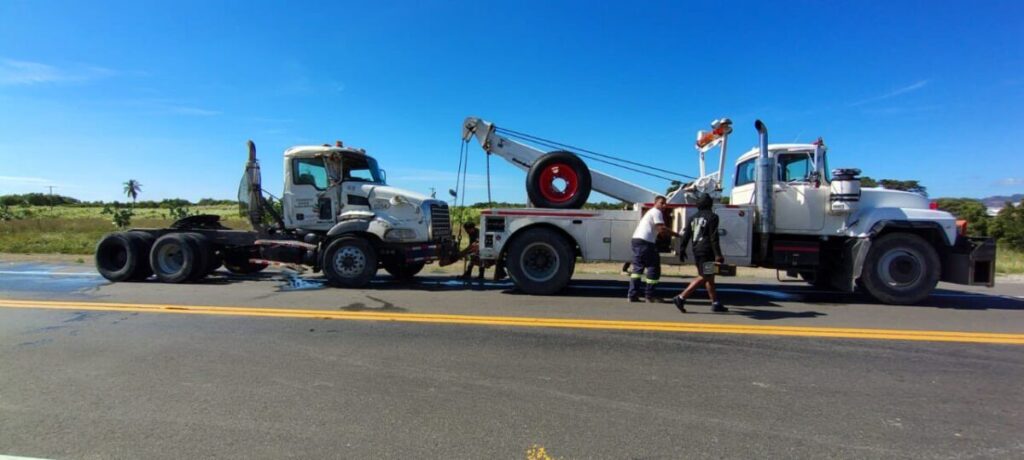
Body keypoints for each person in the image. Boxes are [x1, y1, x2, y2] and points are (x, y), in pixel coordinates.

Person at [673, 193, 729, 313]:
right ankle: (681, 297)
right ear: (710, 204)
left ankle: (715, 303)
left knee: (710, 277)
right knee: (705, 275)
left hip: (696, 250)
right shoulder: (713, 217)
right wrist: (718, 254)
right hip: (707, 250)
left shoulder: (692, 217)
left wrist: (682, 249)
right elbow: (714, 237)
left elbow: (686, 234)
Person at [628, 195, 676, 302]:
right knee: (653, 268)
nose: (664, 205)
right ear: (655, 203)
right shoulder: (656, 212)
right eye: (661, 203)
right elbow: (661, 229)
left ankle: (632, 295)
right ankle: (649, 296)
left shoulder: (650, 212)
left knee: (637, 269)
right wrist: (676, 235)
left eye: (665, 203)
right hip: (645, 243)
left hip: (637, 241)